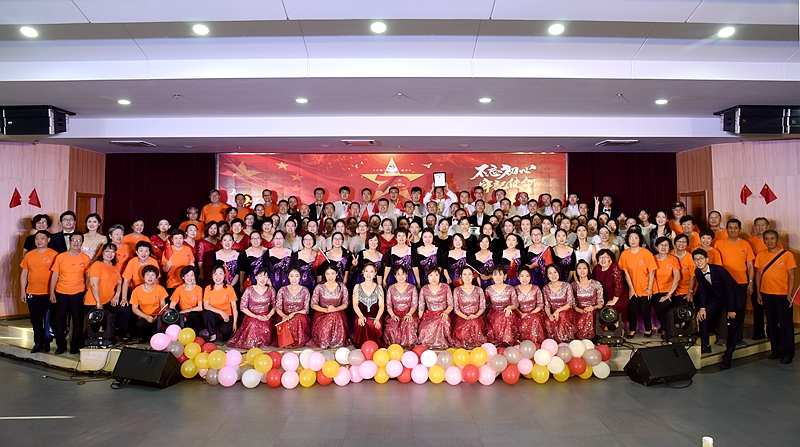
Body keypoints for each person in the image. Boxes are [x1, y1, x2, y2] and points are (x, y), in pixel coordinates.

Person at [694, 249, 745, 370]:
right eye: (696, 259)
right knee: (703, 316)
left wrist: (731, 309)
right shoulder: (698, 272)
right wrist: (702, 308)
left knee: (733, 327)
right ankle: (705, 346)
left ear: (707, 259)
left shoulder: (719, 270)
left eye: (701, 258)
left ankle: (727, 357)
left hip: (734, 298)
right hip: (717, 298)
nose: (698, 261)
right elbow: (702, 290)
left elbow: (730, 290)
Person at [755, 230, 796, 364]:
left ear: (777, 240)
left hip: (783, 295)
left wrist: (790, 293)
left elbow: (792, 276)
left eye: (772, 238)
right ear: (764, 241)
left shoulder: (787, 255)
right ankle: (776, 351)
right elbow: (758, 274)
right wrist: (759, 292)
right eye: (767, 239)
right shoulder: (761, 255)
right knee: (771, 324)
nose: (770, 241)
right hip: (766, 294)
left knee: (785, 325)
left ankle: (787, 354)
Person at [715, 219, 755, 346]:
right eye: (730, 228)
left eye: (735, 228)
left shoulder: (745, 244)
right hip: (723, 283)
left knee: (740, 310)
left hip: (741, 282)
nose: (733, 230)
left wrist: (750, 282)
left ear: (740, 230)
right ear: (726, 229)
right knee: (722, 311)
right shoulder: (719, 243)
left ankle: (738, 337)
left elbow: (750, 266)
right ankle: (722, 337)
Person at [50, 233, 90, 354]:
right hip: (61, 292)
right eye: (74, 240)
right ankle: (61, 346)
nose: (76, 243)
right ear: (69, 241)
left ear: (82, 243)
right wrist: (52, 292)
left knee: (77, 321)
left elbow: (87, 277)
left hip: (78, 293)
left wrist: (86, 292)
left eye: (79, 240)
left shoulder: (86, 258)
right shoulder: (60, 257)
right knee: (60, 320)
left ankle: (74, 345)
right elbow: (55, 275)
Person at [20, 230, 57, 353]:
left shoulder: (54, 255)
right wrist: (22, 291)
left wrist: (53, 292)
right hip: (32, 292)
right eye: (37, 239)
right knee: (35, 319)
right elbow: (24, 274)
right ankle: (38, 342)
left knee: (48, 319)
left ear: (48, 240)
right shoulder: (29, 255)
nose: (39, 241)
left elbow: (57, 274)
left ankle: (47, 342)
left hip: (47, 293)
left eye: (42, 238)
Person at [84, 243, 128, 342]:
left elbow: (119, 282)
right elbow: (94, 284)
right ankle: (86, 340)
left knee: (124, 309)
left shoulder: (114, 267)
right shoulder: (97, 265)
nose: (110, 254)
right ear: (102, 252)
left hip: (108, 300)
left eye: (112, 252)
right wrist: (99, 302)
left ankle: (120, 336)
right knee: (105, 318)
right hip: (94, 301)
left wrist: (116, 296)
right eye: (107, 251)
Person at [227, 266, 276, 349]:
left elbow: (275, 306)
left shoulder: (271, 290)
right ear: (256, 277)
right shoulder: (249, 290)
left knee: (266, 330)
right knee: (253, 325)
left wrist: (268, 316)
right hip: (252, 316)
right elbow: (243, 307)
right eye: (261, 276)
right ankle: (252, 348)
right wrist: (256, 316)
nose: (263, 279)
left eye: (265, 277)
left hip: (265, 317)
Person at [619, 231, 657, 338]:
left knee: (644, 308)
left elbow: (652, 271)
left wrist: (649, 288)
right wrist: (631, 289)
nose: (633, 240)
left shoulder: (646, 253)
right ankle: (632, 330)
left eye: (636, 238)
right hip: (633, 287)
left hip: (646, 286)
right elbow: (626, 273)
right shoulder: (625, 254)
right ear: (627, 240)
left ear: (640, 239)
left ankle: (648, 329)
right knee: (632, 308)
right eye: (631, 238)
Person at [310, 266, 350, 349]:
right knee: (332, 316)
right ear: (324, 275)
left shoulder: (342, 286)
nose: (330, 276)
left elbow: (345, 303)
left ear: (336, 274)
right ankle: (325, 340)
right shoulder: (319, 287)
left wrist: (335, 309)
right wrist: (326, 310)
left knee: (334, 315)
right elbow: (313, 304)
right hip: (322, 314)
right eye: (327, 274)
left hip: (338, 313)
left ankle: (336, 341)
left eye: (332, 273)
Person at [650, 237, 681, 337]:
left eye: (666, 245)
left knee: (664, 306)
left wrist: (669, 294)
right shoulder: (652, 258)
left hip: (669, 290)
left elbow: (677, 277)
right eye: (661, 245)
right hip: (655, 290)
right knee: (658, 307)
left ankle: (665, 329)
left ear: (670, 247)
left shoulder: (673, 259)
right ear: (656, 247)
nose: (663, 247)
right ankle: (665, 328)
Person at [417, 267, 454, 349]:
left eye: (436, 275)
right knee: (424, 329)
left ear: (440, 276)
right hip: (429, 315)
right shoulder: (424, 289)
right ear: (427, 277)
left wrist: (445, 312)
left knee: (443, 323)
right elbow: (421, 307)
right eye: (431, 275)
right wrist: (419, 320)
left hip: (443, 314)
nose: (433, 278)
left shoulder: (446, 287)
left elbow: (451, 305)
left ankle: (440, 344)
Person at [383, 266, 419, 348]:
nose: (401, 276)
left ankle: (408, 347)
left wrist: (409, 314)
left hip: (409, 312)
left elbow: (414, 304)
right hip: (395, 313)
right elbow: (388, 304)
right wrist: (393, 315)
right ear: (395, 276)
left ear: (406, 275)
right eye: (398, 274)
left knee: (408, 325)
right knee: (391, 328)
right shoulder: (391, 288)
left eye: (403, 274)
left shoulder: (412, 287)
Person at [592, 248, 628, 331]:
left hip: (618, 298)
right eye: (601, 257)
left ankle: (618, 328)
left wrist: (613, 301)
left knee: (609, 309)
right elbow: (593, 283)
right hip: (602, 298)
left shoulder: (614, 267)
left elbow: (618, 287)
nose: (603, 259)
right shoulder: (597, 268)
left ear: (611, 259)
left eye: (606, 257)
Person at [130, 265, 168, 343]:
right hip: (144, 317)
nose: (150, 277)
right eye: (147, 275)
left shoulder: (160, 289)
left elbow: (163, 306)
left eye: (153, 275)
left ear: (156, 277)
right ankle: (145, 338)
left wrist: (158, 317)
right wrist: (147, 317)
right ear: (143, 277)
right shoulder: (136, 291)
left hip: (158, 317)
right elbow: (134, 308)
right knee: (140, 324)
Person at [202, 263, 239, 343]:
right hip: (215, 316)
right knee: (207, 315)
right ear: (212, 276)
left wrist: (235, 323)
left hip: (227, 316)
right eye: (215, 274)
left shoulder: (229, 288)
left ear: (224, 275)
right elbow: (206, 305)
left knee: (224, 331)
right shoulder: (208, 288)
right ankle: (213, 335)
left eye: (220, 274)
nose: (218, 276)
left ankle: (225, 331)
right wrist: (221, 312)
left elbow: (234, 307)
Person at [452, 268, 488, 349]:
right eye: (464, 274)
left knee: (475, 327)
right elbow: (456, 309)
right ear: (461, 276)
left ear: (473, 276)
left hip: (476, 317)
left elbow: (482, 307)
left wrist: (475, 315)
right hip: (462, 317)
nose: (467, 277)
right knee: (462, 335)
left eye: (469, 274)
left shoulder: (479, 290)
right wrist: (466, 317)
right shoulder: (457, 290)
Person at [352, 262, 384, 348]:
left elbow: (381, 306)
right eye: (366, 271)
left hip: (375, 316)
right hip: (362, 315)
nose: (369, 274)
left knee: (375, 325)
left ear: (375, 273)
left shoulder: (379, 288)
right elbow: (355, 304)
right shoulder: (357, 287)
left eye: (371, 271)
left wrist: (377, 319)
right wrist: (361, 316)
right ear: (363, 272)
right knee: (360, 322)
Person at [484, 266, 519, 346]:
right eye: (495, 275)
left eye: (500, 274)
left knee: (507, 317)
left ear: (504, 276)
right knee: (497, 318)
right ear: (492, 276)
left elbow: (516, 304)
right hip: (494, 312)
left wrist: (509, 307)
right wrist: (494, 307)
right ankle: (498, 341)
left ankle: (507, 341)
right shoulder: (488, 289)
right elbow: (486, 304)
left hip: (508, 311)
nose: (497, 277)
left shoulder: (510, 288)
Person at [543, 264, 576, 343]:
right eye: (550, 273)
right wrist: (549, 315)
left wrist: (558, 311)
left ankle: (563, 341)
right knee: (548, 321)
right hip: (552, 312)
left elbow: (569, 303)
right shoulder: (545, 288)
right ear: (547, 275)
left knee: (562, 316)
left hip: (566, 311)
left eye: (555, 272)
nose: (553, 275)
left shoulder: (567, 286)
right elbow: (547, 305)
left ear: (558, 273)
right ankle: (552, 343)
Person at [572, 260, 604, 340]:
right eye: (579, 268)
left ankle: (588, 337)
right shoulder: (573, 285)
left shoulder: (596, 284)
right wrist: (580, 310)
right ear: (576, 271)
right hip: (579, 312)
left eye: (584, 268)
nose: (582, 271)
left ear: (588, 270)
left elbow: (601, 303)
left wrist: (593, 308)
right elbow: (573, 304)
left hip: (593, 311)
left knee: (589, 314)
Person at [515, 267, 546, 346]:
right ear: (518, 277)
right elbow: (514, 305)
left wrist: (529, 314)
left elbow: (540, 304)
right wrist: (521, 314)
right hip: (520, 313)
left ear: (530, 277)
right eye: (522, 276)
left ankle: (535, 343)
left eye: (527, 276)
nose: (524, 278)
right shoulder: (515, 289)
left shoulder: (536, 288)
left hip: (534, 312)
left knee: (535, 319)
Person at [168, 266, 204, 333]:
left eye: (192, 275)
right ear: (183, 277)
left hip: (195, 314)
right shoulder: (179, 289)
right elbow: (172, 306)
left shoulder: (198, 289)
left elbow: (200, 307)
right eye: (187, 275)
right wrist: (178, 315)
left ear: (195, 276)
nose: (190, 278)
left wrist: (186, 310)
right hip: (183, 315)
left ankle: (196, 333)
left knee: (194, 315)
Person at [163, 229, 196, 294]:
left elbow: (192, 266)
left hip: (187, 284)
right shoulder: (168, 250)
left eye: (180, 238)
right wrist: (167, 265)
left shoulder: (188, 249)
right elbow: (164, 270)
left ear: (183, 239)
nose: (178, 241)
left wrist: (194, 282)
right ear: (172, 240)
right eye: (176, 238)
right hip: (172, 284)